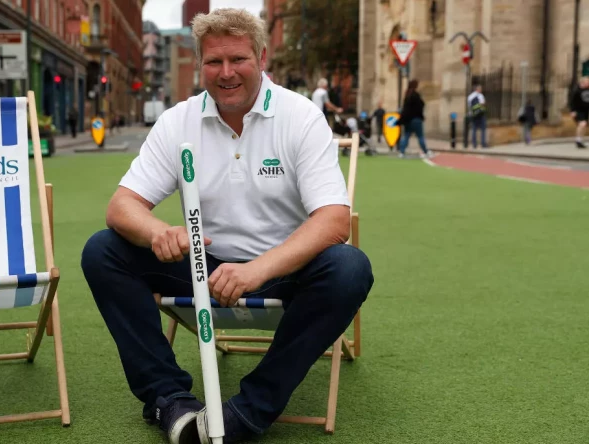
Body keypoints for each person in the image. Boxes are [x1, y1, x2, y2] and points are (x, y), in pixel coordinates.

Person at [80, 8, 374, 444]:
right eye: (214, 62)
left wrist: (258, 269)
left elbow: (333, 220)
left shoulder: (300, 116)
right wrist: (159, 232)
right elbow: (123, 205)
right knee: (103, 250)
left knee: (350, 268)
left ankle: (248, 411)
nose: (226, 72)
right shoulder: (178, 120)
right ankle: (170, 400)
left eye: (238, 59)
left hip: (282, 270)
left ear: (261, 57)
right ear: (199, 65)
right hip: (204, 266)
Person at [397, 79, 433, 158]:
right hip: (416, 119)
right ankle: (426, 151)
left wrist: (402, 119)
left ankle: (401, 152)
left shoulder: (407, 95)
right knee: (420, 136)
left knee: (406, 136)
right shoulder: (416, 95)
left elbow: (405, 109)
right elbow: (420, 106)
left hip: (408, 120)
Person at [570, 76, 589, 149]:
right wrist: (572, 111)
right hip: (578, 110)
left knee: (584, 125)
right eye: (587, 82)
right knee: (582, 123)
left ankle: (580, 140)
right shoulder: (577, 90)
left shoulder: (588, 89)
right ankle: (578, 140)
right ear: (583, 82)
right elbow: (572, 101)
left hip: (585, 111)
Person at [467, 84, 487, 148]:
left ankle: (474, 144)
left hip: (473, 115)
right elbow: (483, 104)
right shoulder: (480, 95)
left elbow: (469, 106)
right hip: (480, 114)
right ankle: (483, 144)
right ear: (478, 89)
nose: (481, 90)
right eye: (480, 89)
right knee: (483, 129)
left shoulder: (470, 96)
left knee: (474, 129)